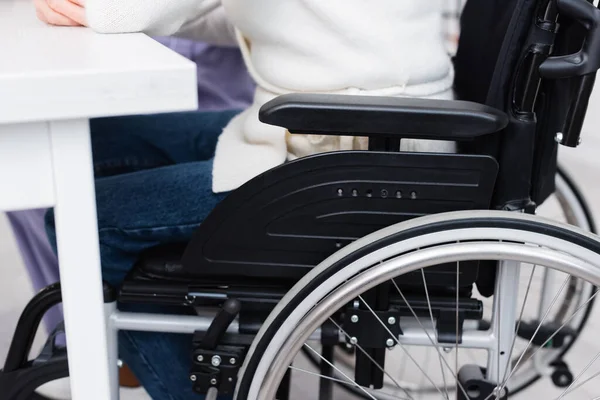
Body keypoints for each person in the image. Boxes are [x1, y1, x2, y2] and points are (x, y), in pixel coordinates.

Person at [35, 0, 453, 399]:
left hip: (350, 152)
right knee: (96, 142)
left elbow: (133, 8)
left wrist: (102, 10)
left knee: (84, 221)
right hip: (319, 125)